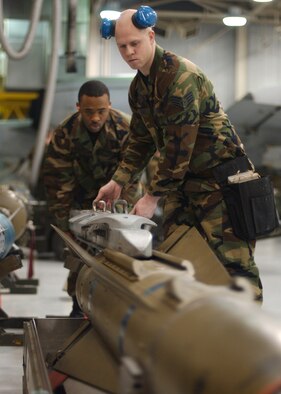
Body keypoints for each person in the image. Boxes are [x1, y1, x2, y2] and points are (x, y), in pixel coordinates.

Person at [96, 6, 263, 301]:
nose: (129, 52)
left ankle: (249, 343)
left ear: (150, 36)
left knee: (233, 268)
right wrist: (119, 181)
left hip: (222, 181)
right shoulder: (140, 88)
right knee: (179, 259)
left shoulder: (180, 77)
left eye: (135, 43)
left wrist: (150, 198)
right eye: (122, 46)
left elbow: (178, 147)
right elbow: (140, 140)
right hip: (185, 182)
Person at [43, 80, 143, 316]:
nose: (95, 118)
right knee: (80, 255)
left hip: (119, 198)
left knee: (119, 254)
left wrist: (123, 218)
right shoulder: (65, 133)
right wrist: (63, 224)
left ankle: (118, 310)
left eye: (101, 111)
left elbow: (132, 175)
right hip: (81, 199)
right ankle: (78, 305)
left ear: (109, 106)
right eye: (88, 112)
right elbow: (57, 182)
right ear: (78, 107)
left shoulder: (124, 129)